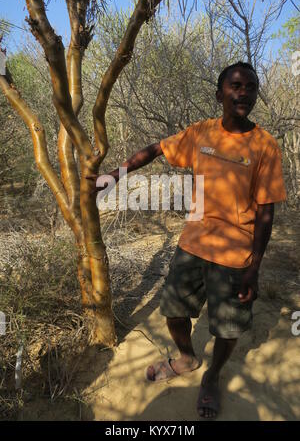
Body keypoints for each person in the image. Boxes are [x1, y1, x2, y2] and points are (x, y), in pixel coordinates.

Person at [87, 62, 286, 419]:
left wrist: (253, 269)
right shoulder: (202, 133)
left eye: (251, 87)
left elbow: (266, 213)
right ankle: (187, 357)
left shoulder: (265, 145)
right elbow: (157, 149)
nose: (244, 94)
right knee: (173, 309)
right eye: (236, 86)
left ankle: (212, 376)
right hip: (192, 244)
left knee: (227, 327)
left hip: (235, 254)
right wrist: (116, 174)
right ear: (219, 94)